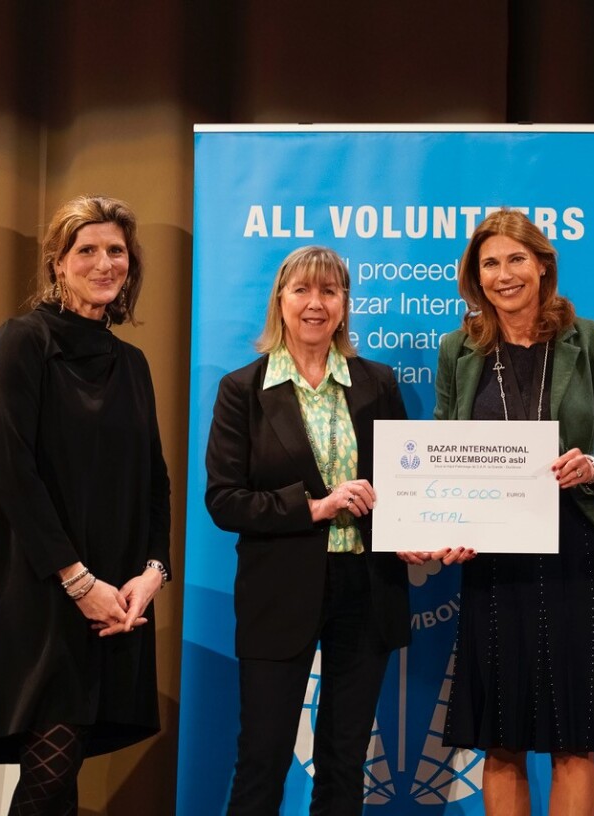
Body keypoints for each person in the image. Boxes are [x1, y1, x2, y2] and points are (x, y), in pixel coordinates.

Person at [0, 195, 172, 814]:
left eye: (117, 251)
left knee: (63, 764)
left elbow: (154, 480)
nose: (104, 263)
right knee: (49, 770)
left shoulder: (132, 364)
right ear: (58, 264)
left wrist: (152, 574)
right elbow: (15, 473)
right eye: (87, 250)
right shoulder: (24, 341)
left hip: (118, 594)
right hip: (43, 587)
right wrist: (79, 582)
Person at [426, 210, 594, 815]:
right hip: (492, 561)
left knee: (575, 738)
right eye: (489, 263)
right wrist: (449, 528)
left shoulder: (589, 341)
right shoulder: (457, 350)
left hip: (573, 552)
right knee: (502, 736)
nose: (504, 274)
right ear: (475, 277)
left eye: (516, 259)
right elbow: (444, 455)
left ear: (543, 265)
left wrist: (592, 469)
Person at [205, 246, 411, 815]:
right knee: (263, 758)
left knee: (345, 762)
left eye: (329, 292)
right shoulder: (241, 390)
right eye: (302, 291)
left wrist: (421, 529)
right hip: (280, 591)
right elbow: (224, 500)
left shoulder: (379, 384)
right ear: (280, 301)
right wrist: (316, 508)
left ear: (345, 305)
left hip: (367, 588)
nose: (315, 304)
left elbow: (404, 486)